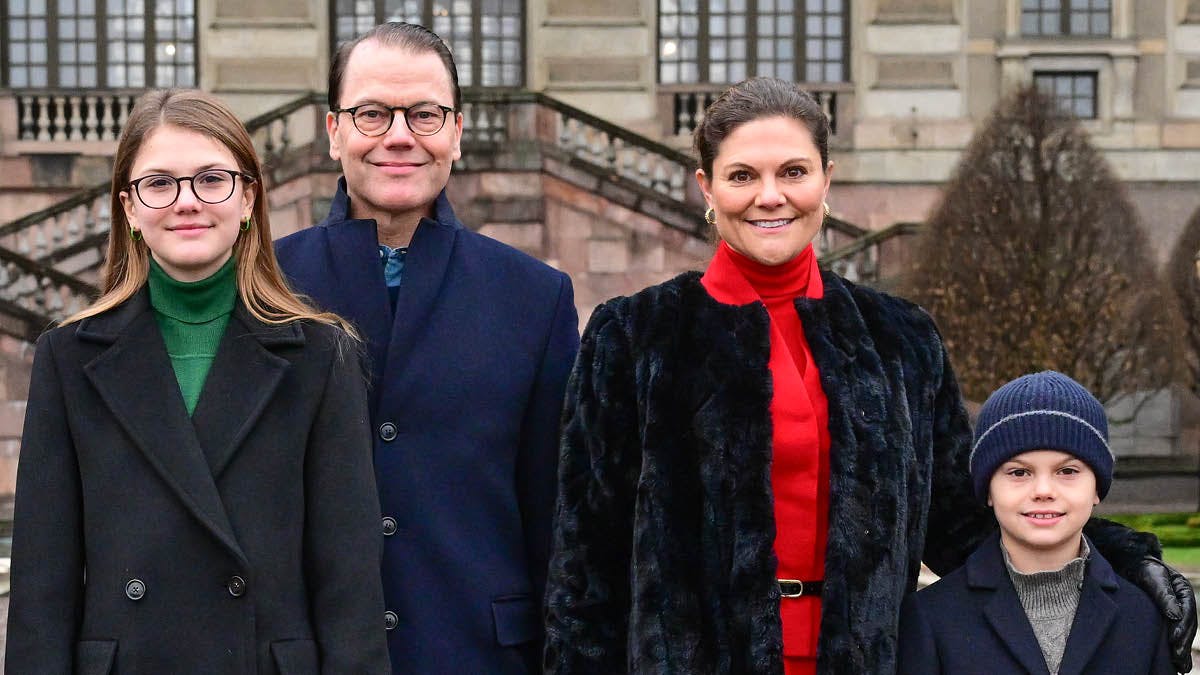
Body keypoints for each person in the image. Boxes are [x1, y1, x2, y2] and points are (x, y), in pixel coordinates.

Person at [542, 77, 1196, 674]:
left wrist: (1121, 557)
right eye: (743, 175)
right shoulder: (634, 335)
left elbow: (966, 517)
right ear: (706, 188)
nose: (771, 195)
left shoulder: (900, 338)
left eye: (793, 171)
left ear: (827, 179)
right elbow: (585, 559)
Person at [4, 89, 390, 674]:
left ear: (247, 199)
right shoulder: (69, 356)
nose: (187, 202)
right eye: (159, 183)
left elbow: (349, 588)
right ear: (129, 208)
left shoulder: (322, 355)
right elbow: (41, 589)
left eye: (212, 179)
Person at [274, 22, 580, 674]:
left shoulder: (536, 296)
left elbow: (557, 518)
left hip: (480, 653)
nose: (399, 135)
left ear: (456, 133)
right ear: (333, 132)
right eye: (372, 113)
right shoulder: (266, 287)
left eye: (424, 114)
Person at [897, 371, 1172, 674]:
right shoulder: (929, 618)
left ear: (1097, 488)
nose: (1043, 491)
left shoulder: (1145, 616)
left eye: (1067, 471)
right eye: (1019, 472)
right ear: (987, 490)